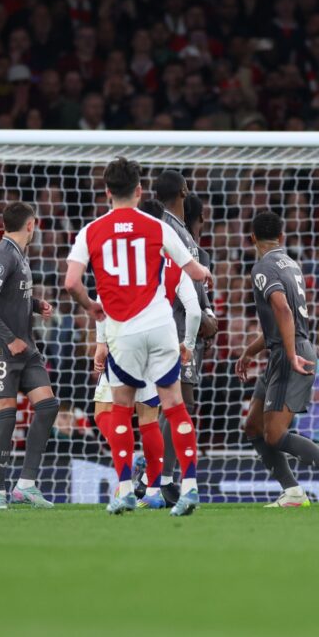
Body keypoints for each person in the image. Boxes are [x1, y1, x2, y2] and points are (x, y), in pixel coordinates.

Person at [63, 157, 211, 516]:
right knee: (174, 405)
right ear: (140, 190)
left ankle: (127, 489)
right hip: (160, 325)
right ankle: (190, 486)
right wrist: (202, 270)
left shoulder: (91, 231)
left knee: (121, 408)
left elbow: (71, 283)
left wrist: (91, 306)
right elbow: (195, 272)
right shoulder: (158, 227)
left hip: (123, 330)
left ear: (107, 192)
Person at [235, 210, 319, 508]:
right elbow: (279, 322)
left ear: (252, 238)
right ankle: (292, 491)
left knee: (275, 434)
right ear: (281, 236)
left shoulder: (263, 267)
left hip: (289, 354)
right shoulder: (292, 265)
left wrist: (290, 354)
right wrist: (250, 351)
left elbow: (283, 310)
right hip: (283, 351)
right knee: (253, 426)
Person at [91, 199, 203, 510]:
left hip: (125, 339)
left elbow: (102, 297)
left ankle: (126, 480)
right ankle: (155, 490)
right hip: (161, 340)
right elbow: (194, 311)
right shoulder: (173, 258)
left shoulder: (124, 252)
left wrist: (101, 342)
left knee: (106, 411)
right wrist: (188, 344)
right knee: (152, 418)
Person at [0, 202, 60, 510]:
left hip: (25, 348)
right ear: (30, 225)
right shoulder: (3, 254)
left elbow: (9, 296)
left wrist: (35, 305)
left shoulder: (19, 255)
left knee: (48, 406)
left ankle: (25, 485)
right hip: (0, 349)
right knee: (7, 418)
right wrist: (9, 339)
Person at [152, 170, 217, 504]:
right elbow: (173, 279)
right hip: (174, 328)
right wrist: (201, 316)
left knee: (174, 404)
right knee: (178, 402)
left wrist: (207, 313)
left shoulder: (180, 231)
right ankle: (161, 478)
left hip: (185, 324)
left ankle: (155, 477)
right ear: (184, 190)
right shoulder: (167, 229)